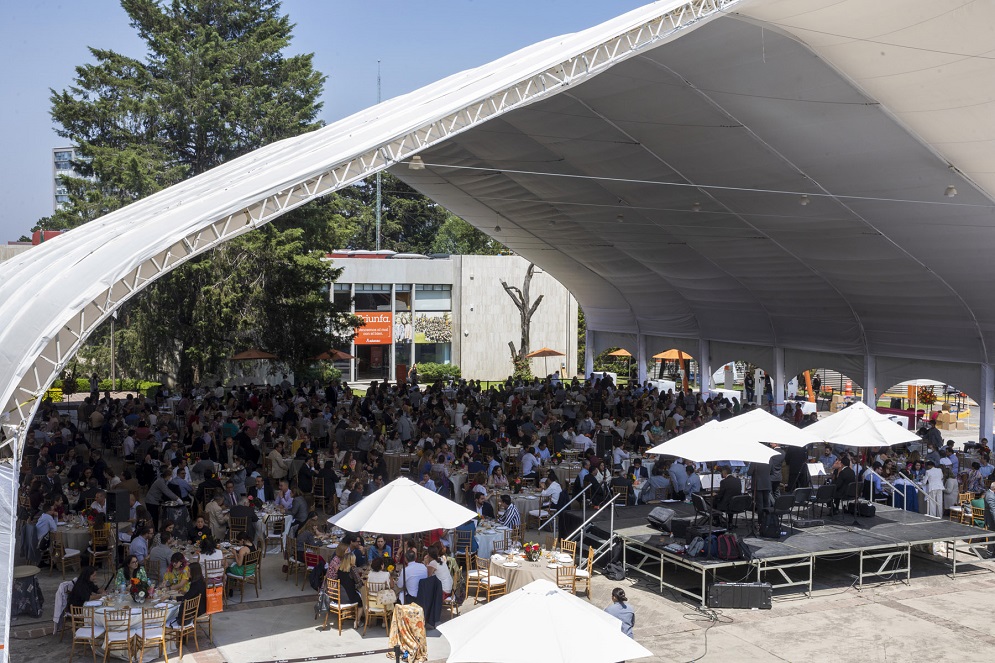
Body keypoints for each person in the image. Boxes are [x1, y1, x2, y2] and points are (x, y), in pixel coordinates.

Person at [336, 553, 364, 627]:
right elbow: (359, 582)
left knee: (356, 593)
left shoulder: (339, 569)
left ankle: (350, 614)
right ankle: (357, 621)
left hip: (339, 598)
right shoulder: (352, 570)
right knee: (361, 602)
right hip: (350, 597)